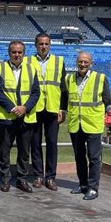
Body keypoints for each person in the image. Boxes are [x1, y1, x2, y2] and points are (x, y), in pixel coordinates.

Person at [0, 40, 40, 193]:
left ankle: (21, 179)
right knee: (4, 151)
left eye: (20, 52)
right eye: (14, 52)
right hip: (6, 118)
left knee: (24, 152)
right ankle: (5, 179)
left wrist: (25, 108)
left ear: (24, 53)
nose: (17, 55)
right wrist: (13, 108)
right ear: (9, 53)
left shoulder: (31, 69)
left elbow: (35, 92)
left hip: (26, 118)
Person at [65, 52, 110, 201]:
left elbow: (106, 100)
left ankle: (93, 188)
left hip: (93, 124)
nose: (82, 64)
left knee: (94, 158)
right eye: (80, 62)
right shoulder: (69, 78)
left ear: (91, 63)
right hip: (75, 124)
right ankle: (83, 184)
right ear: (76, 62)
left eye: (85, 62)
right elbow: (66, 99)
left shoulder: (100, 78)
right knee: (79, 157)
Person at [27, 33, 67, 191]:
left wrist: (63, 109)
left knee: (52, 145)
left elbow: (63, 88)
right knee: (35, 144)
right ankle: (38, 175)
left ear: (50, 45)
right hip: (34, 109)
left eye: (46, 44)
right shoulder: (27, 61)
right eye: (41, 44)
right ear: (36, 45)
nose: (44, 47)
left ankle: (50, 177)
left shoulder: (59, 61)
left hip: (52, 108)